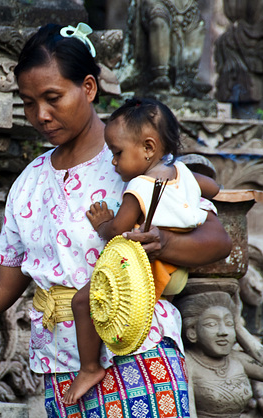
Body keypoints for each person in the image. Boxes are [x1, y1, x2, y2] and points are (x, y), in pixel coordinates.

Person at [0, 23, 232, 418]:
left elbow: (217, 240)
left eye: (53, 97)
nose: (41, 114)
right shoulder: (30, 183)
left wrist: (165, 244)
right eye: (28, 102)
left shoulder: (136, 167)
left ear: (88, 88)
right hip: (61, 370)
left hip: (138, 357)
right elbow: (2, 282)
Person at [63, 97, 221, 404]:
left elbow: (119, 228)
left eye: (117, 153)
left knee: (83, 301)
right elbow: (213, 189)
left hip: (148, 269)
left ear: (148, 148)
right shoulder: (183, 174)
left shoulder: (140, 187)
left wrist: (102, 223)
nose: (113, 162)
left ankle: (90, 367)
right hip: (175, 272)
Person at [175, 288, 263, 417]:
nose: (223, 332)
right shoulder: (187, 362)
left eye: (228, 324)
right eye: (211, 324)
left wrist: (239, 328)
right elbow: (188, 412)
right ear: (192, 332)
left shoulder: (238, 359)